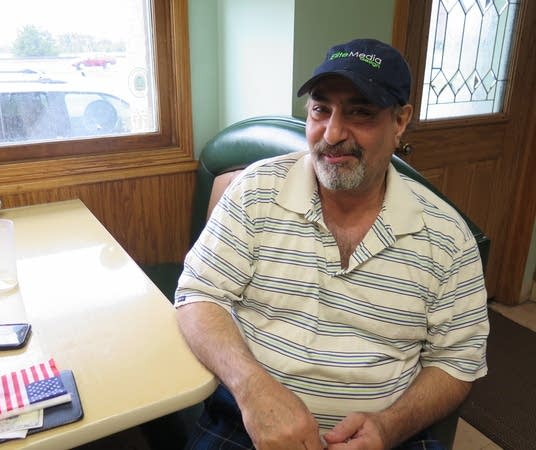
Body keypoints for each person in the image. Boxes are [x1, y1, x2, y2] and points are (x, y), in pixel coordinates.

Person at [175, 38, 489, 450]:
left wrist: (390, 426)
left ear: (400, 122)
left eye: (361, 113)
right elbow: (197, 295)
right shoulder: (255, 191)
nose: (333, 133)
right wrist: (252, 389)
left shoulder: (448, 238)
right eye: (321, 109)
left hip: (386, 437)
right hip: (247, 419)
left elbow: (457, 361)